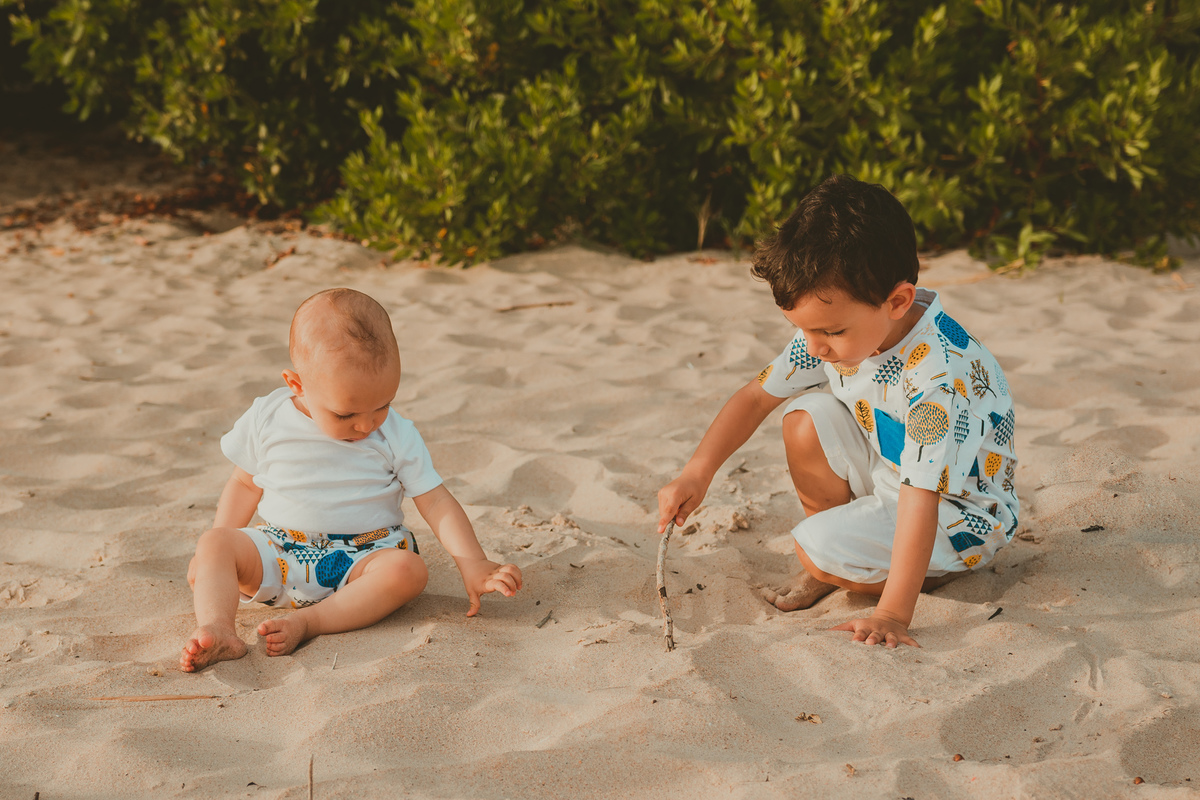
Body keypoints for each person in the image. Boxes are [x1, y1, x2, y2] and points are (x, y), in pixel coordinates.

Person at [657, 175, 1017, 648]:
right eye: (803, 331)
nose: (814, 348)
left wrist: (891, 613)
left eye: (829, 332)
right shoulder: (839, 328)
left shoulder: (938, 379)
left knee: (817, 547)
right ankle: (842, 565)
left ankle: (883, 576)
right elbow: (755, 397)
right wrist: (696, 474)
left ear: (898, 301)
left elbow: (922, 496)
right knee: (805, 417)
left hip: (957, 517)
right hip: (894, 474)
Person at [181, 288, 522, 672]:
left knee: (408, 571)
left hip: (364, 558)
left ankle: (310, 622)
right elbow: (244, 484)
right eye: (345, 415)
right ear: (297, 385)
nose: (365, 424)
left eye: (382, 405)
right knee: (214, 543)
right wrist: (218, 556)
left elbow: (436, 500)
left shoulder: (395, 433)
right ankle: (218, 628)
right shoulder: (267, 417)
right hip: (279, 551)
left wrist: (472, 562)